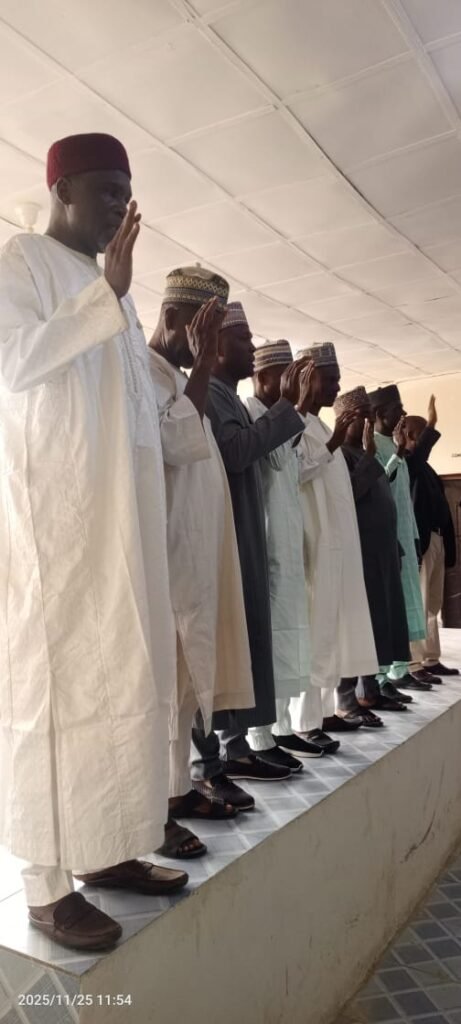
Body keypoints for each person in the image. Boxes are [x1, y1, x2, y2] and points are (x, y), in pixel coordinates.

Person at [0, 133, 187, 953]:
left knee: (122, 682)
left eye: (126, 192)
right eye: (107, 189)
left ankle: (106, 847)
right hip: (61, 525)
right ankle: (45, 887)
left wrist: (116, 302)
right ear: (63, 187)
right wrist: (102, 296)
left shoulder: (112, 288)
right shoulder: (21, 262)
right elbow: (13, 365)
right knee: (53, 693)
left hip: (120, 522)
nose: (120, 206)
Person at [148, 266, 255, 856]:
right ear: (172, 318)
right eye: (203, 330)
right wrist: (206, 366)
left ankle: (178, 789)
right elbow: (173, 442)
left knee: (186, 688)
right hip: (164, 561)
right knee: (162, 690)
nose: (209, 346)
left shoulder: (176, 377)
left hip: (195, 557)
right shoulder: (142, 372)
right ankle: (153, 811)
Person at [198, 302, 309, 786]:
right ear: (217, 346)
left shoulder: (229, 398)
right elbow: (235, 452)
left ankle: (238, 747)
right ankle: (220, 756)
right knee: (228, 644)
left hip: (245, 534)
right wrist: (289, 408)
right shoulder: (212, 395)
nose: (251, 346)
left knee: (246, 643)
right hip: (226, 538)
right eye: (243, 339)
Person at [287, 343, 379, 745]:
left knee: (330, 632)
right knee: (314, 633)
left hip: (335, 548)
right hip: (313, 546)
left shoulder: (321, 427)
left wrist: (333, 440)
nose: (337, 386)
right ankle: (305, 723)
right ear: (307, 378)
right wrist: (333, 444)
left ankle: (325, 714)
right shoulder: (293, 423)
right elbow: (292, 475)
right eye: (330, 378)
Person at [245, 340, 324, 760]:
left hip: (287, 542)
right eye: (288, 377)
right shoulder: (252, 413)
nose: (296, 385)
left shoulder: (279, 415)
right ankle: (259, 737)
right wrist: (296, 405)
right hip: (268, 543)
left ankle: (281, 726)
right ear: (263, 378)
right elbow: (275, 460)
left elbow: (292, 470)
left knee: (289, 637)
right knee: (269, 641)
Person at [335, 387, 410, 723]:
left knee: (379, 623)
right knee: (356, 626)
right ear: (346, 420)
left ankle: (370, 689)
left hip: (381, 552)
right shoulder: (340, 454)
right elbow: (349, 494)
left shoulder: (364, 452)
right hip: (359, 555)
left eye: (369, 415)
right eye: (362, 416)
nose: (368, 422)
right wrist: (368, 455)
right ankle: (348, 698)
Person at [369, 385, 428, 696]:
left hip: (405, 535)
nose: (402, 415)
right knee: (389, 607)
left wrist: (415, 535)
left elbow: (404, 499)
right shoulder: (371, 445)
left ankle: (401, 669)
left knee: (405, 605)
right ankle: (381, 676)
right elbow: (378, 483)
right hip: (387, 540)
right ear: (380, 414)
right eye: (397, 410)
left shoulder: (396, 446)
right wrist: (397, 454)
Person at [404, 396, 458, 678]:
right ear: (410, 435)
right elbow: (416, 457)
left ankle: (430, 659)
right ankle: (414, 663)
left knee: (433, 604)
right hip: (422, 542)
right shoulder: (407, 463)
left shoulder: (426, 468)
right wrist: (432, 425)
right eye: (421, 433)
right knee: (421, 602)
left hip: (436, 540)